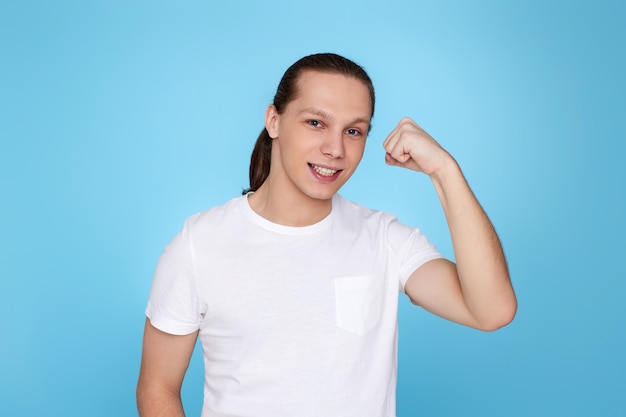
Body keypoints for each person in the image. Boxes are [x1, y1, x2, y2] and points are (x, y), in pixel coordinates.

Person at [136, 52, 517, 417]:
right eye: (316, 122)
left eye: (354, 131)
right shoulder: (199, 244)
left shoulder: (385, 239)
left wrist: (444, 171)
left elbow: (492, 311)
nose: (335, 148)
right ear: (274, 121)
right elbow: (158, 388)